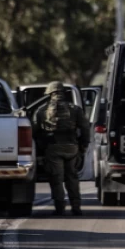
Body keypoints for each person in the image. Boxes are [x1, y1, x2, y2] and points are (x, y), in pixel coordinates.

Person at [33, 81, 90, 216]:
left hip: (53, 148)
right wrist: (83, 145)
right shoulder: (75, 109)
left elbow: (35, 131)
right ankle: (76, 207)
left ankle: (60, 208)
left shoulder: (41, 110)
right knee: (72, 178)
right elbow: (85, 128)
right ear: (64, 93)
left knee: (57, 179)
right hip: (72, 148)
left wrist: (41, 148)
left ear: (49, 93)